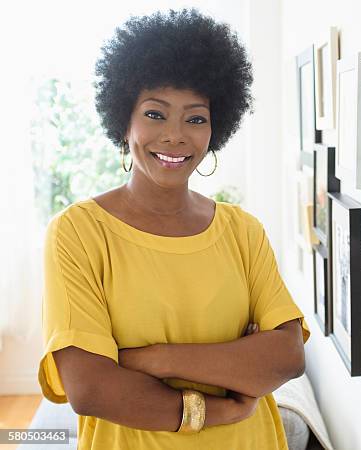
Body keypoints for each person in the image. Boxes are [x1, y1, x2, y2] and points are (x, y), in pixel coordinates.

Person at [38, 8, 310, 450]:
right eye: (155, 114)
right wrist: (216, 406)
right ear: (124, 121)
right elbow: (91, 388)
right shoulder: (79, 233)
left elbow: (287, 357)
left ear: (214, 128)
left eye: (196, 118)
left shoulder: (242, 231)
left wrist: (151, 359)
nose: (175, 136)